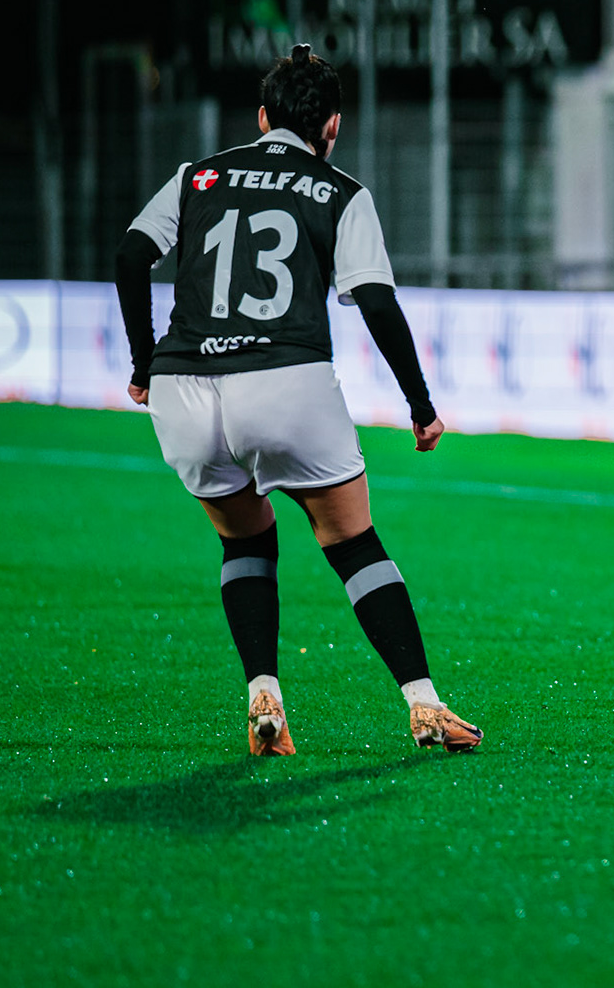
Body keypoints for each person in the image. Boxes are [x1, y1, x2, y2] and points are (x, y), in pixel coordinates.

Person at [113, 44, 481, 757]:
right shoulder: (340, 191)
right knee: (352, 544)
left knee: (246, 540)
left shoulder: (198, 175)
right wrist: (420, 404)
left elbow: (131, 255)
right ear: (333, 125)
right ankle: (424, 704)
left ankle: (264, 692)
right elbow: (374, 298)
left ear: (261, 116)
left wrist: (144, 363)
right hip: (285, 379)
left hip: (185, 389)